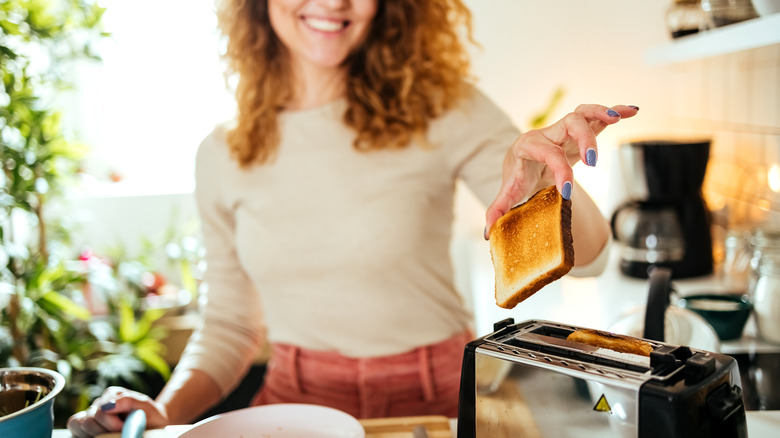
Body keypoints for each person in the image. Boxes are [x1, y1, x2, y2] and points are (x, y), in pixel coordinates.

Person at [67, 0, 638, 436]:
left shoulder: (444, 109)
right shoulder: (222, 153)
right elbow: (231, 328)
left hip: (433, 402)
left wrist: (548, 182)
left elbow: (590, 260)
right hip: (292, 408)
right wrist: (163, 411)